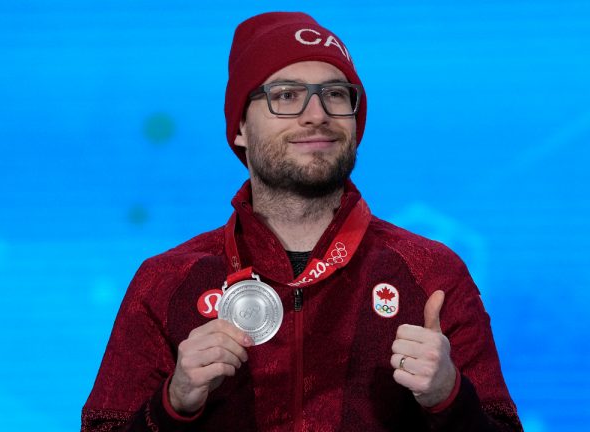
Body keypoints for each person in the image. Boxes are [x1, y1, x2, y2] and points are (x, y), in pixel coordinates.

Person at [82, 11, 523, 432]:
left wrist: (449, 397)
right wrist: (173, 404)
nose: (317, 114)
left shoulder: (432, 274)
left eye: (335, 94)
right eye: (286, 95)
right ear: (239, 128)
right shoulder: (166, 281)